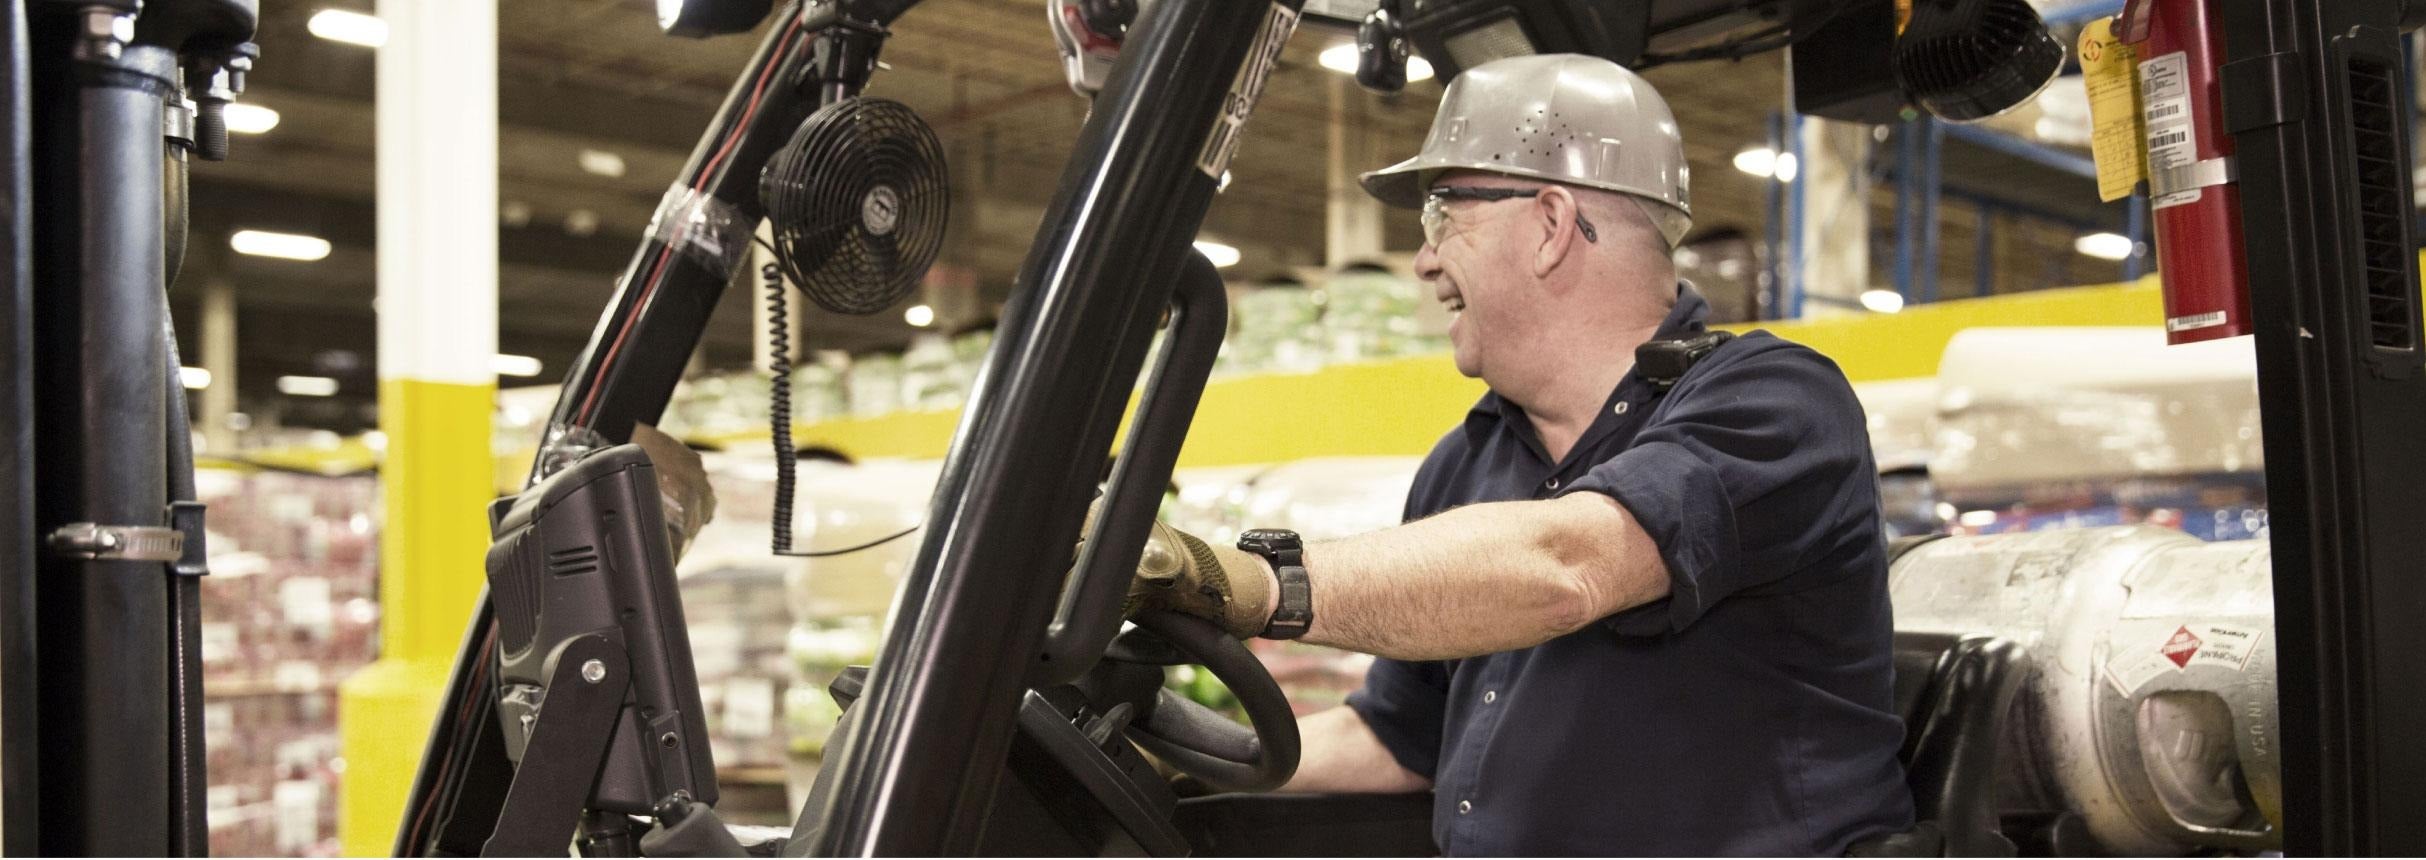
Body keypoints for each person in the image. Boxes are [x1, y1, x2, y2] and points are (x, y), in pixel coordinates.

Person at [1113, 54, 1915, 855]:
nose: (1424, 261)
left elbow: (1569, 565)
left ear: (1551, 224)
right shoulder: (1467, 461)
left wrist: (1255, 583)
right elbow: (1400, 738)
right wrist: (1159, 748)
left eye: (1441, 216)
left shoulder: (1774, 401)